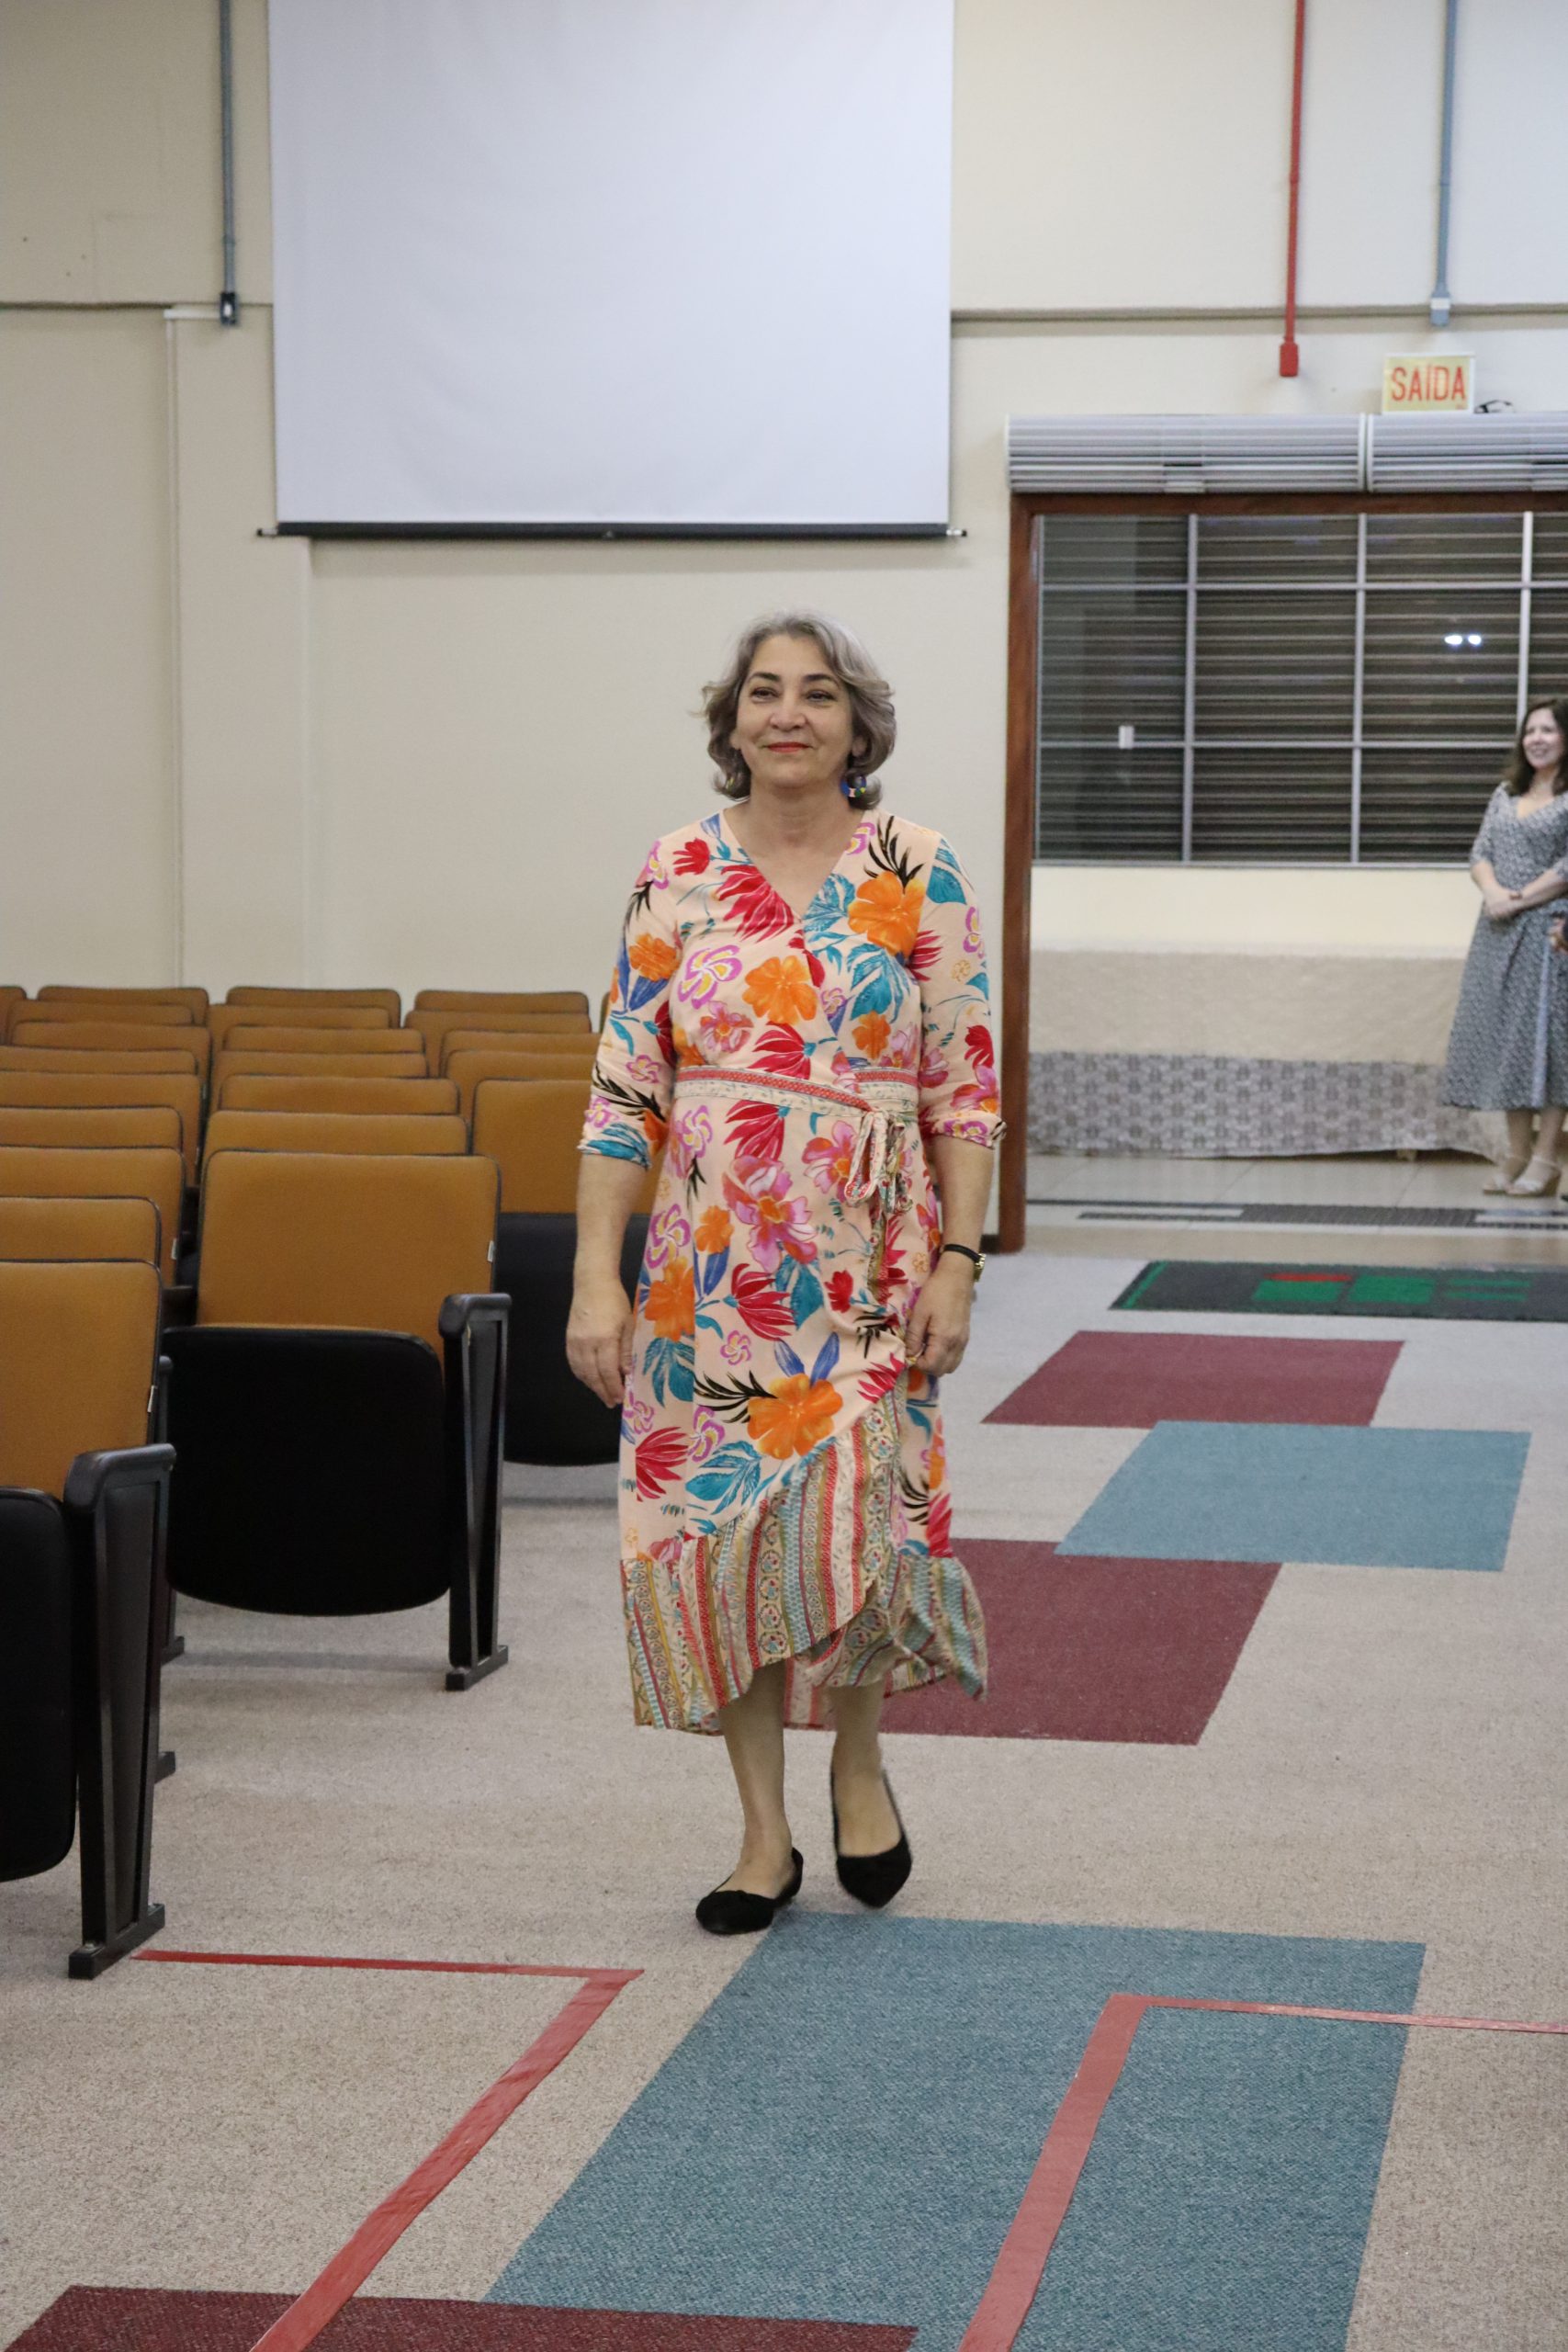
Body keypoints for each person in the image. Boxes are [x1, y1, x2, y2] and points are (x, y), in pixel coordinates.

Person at [567, 611, 1001, 1936]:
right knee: (721, 1538)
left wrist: (960, 1263)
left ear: (857, 725)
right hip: (706, 1274)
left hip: (869, 1264)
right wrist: (594, 1278)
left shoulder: (917, 866)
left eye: (817, 693)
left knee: (859, 1531)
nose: (788, 714)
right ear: (733, 721)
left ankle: (856, 1760)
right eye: (764, 692)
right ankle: (761, 1835)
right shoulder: (677, 867)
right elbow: (622, 1093)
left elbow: (965, 1089)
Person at [1441, 696, 1568, 1195]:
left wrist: (1519, 899)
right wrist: (1494, 893)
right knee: (1511, 1044)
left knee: (1552, 1046)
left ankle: (1547, 1158)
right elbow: (1480, 852)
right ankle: (1516, 1154)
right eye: (1530, 730)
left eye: (1548, 730)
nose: (1537, 739)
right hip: (1498, 930)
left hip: (1552, 933)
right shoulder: (1506, 792)